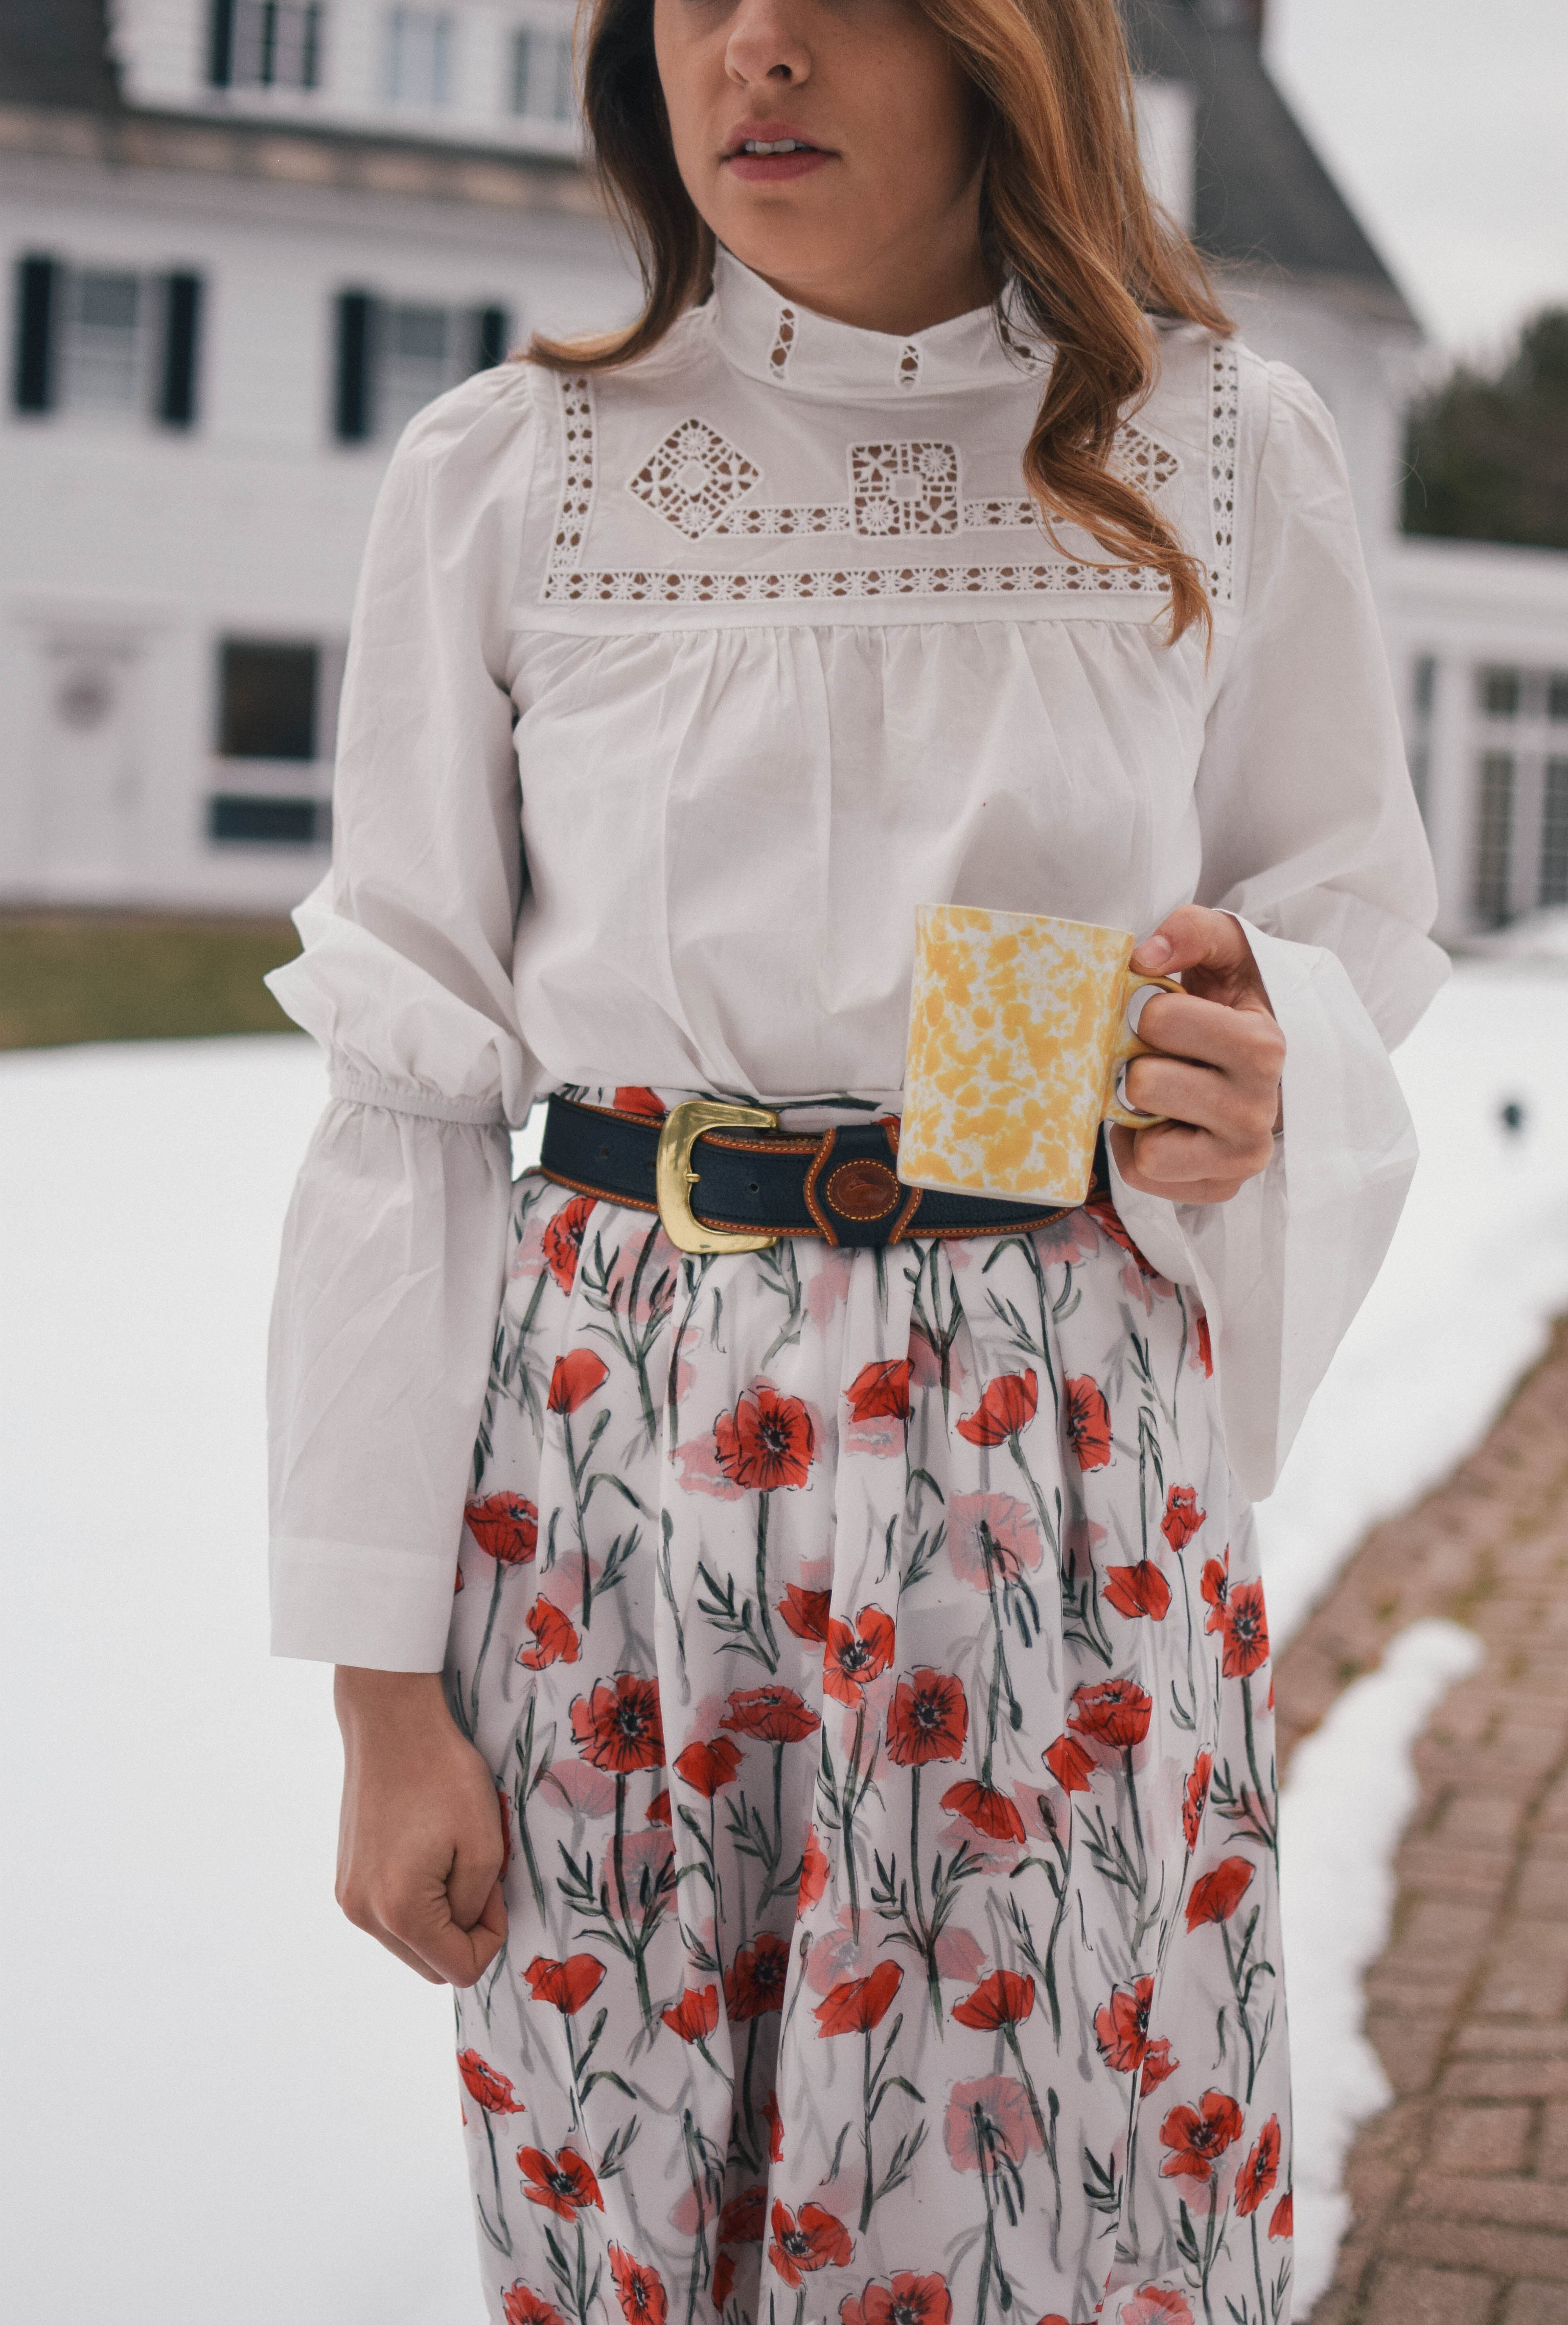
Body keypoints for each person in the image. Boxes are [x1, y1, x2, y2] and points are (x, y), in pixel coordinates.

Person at [265, 0, 1445, 2316]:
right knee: (635, 2210)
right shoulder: (512, 474)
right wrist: (379, 1701)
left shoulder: (1218, 446)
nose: (757, 46)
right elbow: (402, 1098)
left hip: (1060, 1487)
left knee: (1050, 2193)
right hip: (612, 1496)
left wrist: (1266, 1051)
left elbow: (1349, 922)